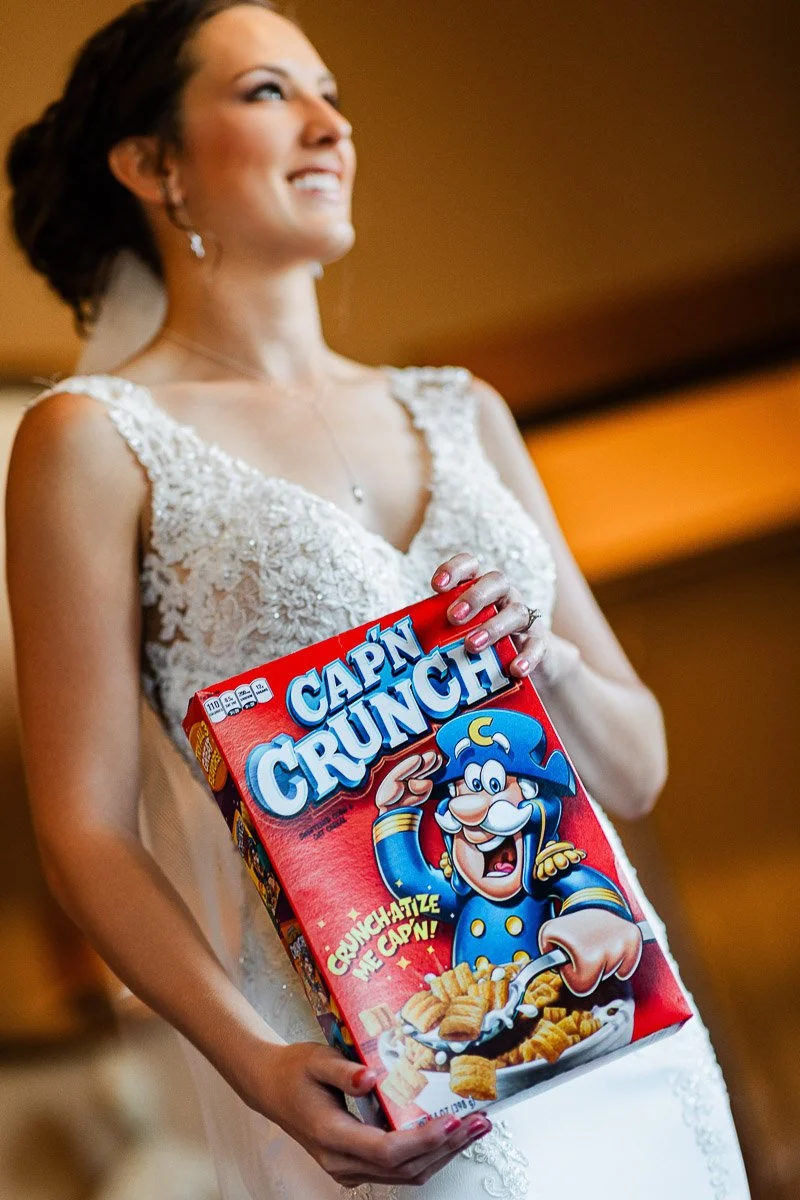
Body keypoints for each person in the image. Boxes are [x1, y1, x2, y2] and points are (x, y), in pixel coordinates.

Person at [4, 2, 751, 1197]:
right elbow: (85, 826)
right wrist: (255, 1063)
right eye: (266, 93)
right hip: (381, 1059)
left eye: (331, 93)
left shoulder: (464, 410)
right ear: (152, 165)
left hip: (621, 1034)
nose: (328, 125)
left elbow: (640, 766)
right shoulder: (88, 443)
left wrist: (539, 657)